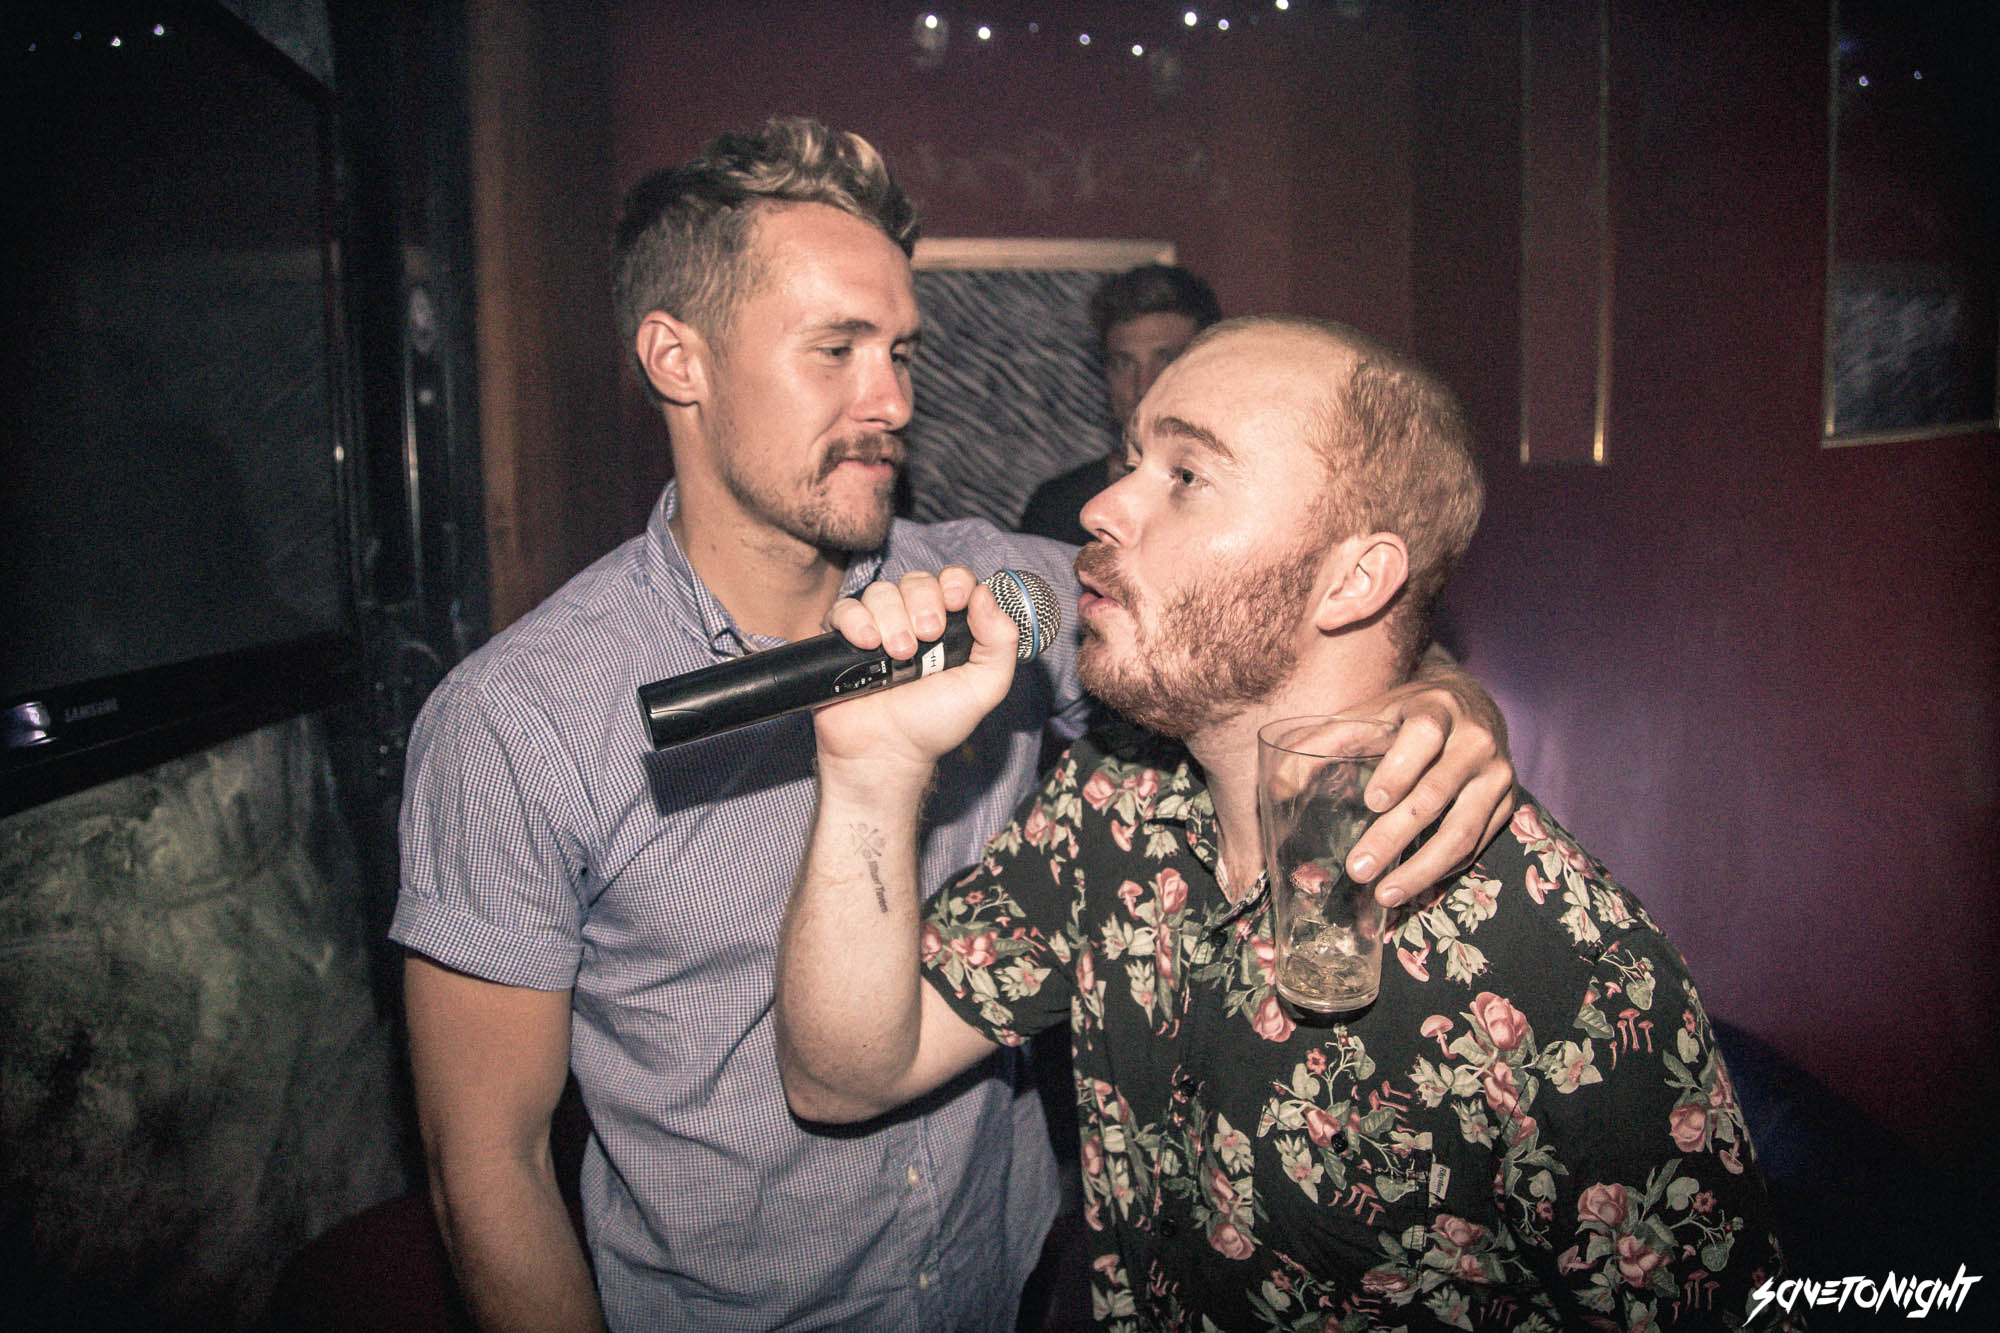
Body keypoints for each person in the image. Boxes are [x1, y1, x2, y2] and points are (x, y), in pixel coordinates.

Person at [393, 116, 1516, 1333]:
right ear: (679, 359)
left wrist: (1438, 693)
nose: (891, 399)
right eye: (836, 349)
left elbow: (1256, 630)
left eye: (901, 351)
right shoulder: (521, 720)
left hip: (1009, 1287)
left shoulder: (1000, 596)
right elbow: (486, 1167)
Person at [777, 316, 1790, 1330]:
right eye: (1132, 460)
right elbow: (845, 1077)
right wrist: (870, 773)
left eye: (1186, 475)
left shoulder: (1559, 957)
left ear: (1353, 580)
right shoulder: (1112, 801)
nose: (1099, 505)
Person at [1016, 263, 1220, 546]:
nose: (1143, 385)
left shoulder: (1238, 495)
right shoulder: (1059, 506)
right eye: (1124, 363)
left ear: (1208, 365)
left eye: (1166, 360)